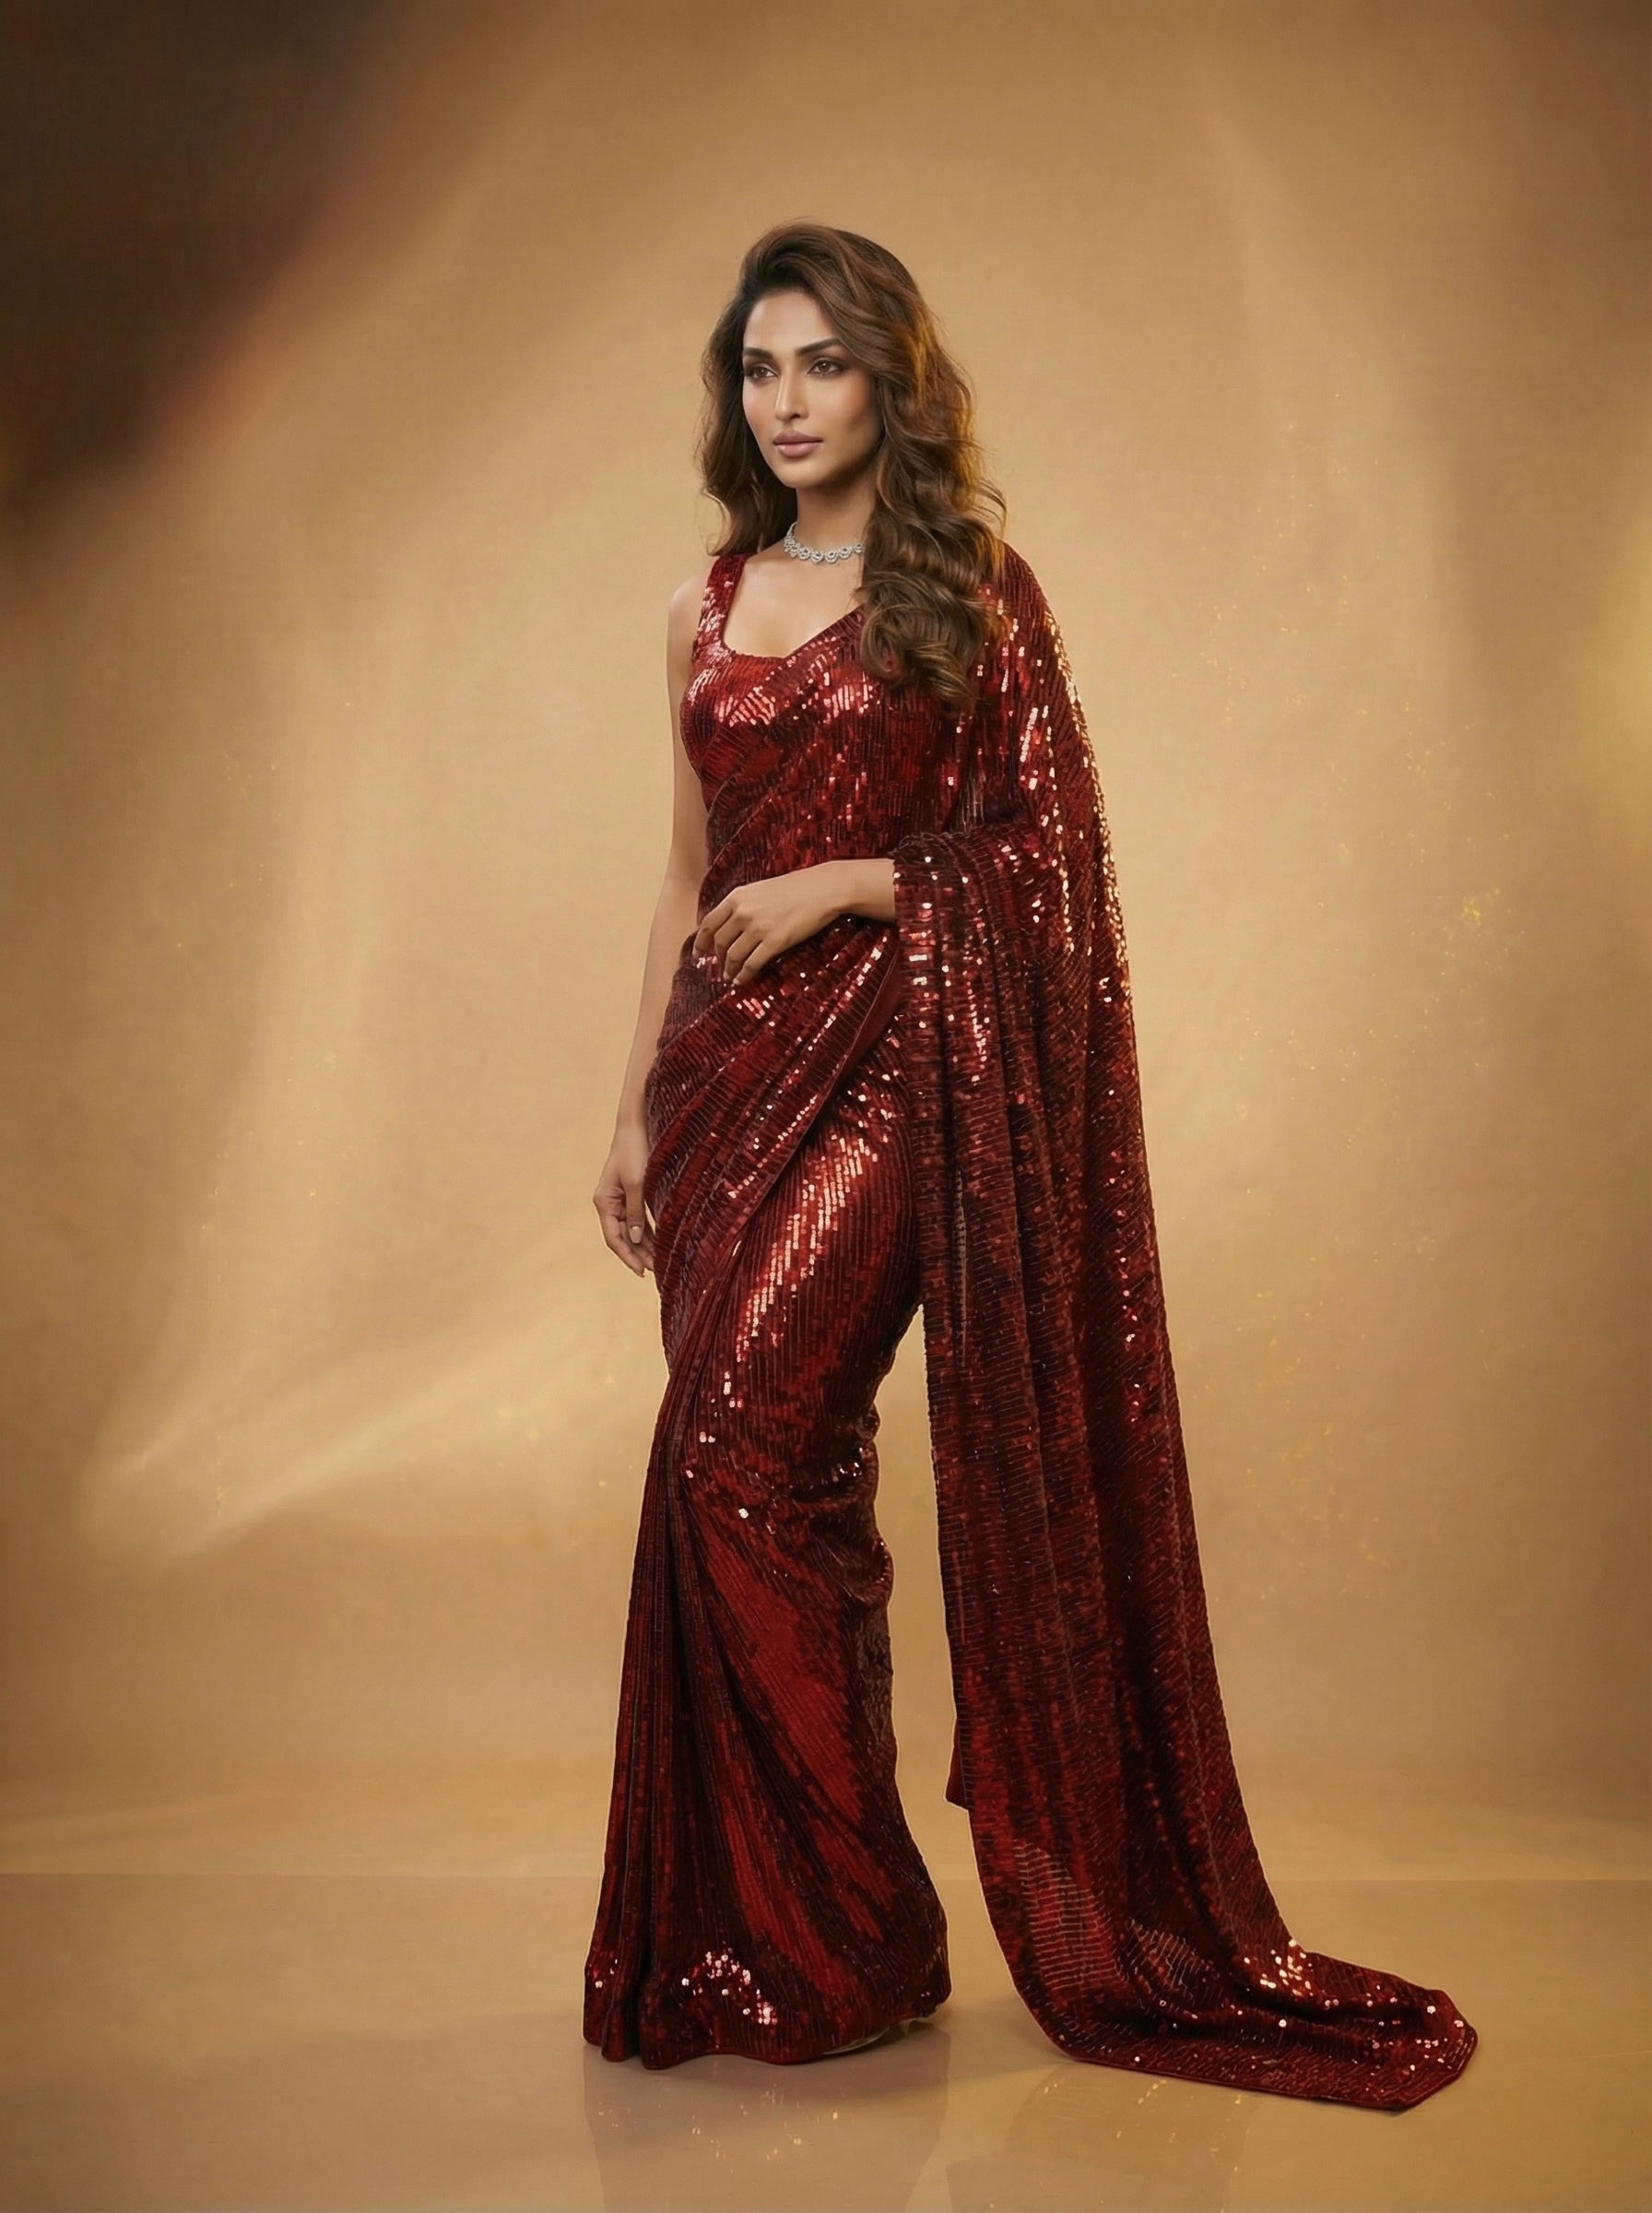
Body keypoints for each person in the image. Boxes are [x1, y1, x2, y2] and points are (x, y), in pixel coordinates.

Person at [584, 220, 1477, 2109]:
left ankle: (841, 1927)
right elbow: (681, 872)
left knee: (746, 1439)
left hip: (897, 1079)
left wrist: (854, 883)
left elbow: (1053, 867)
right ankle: (816, 1942)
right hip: (723, 1080)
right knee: (757, 1478)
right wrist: (630, 1107)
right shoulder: (700, 605)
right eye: (759, 367)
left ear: (888, 379)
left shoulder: (973, 595)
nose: (788, 400)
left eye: (823, 363)